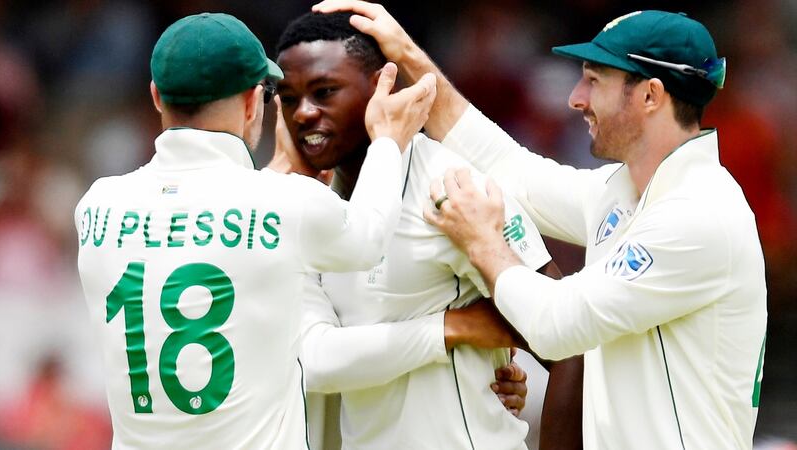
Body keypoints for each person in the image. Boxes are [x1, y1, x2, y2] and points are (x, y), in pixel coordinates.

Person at [313, 2, 768, 448]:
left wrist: (484, 242)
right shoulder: (625, 190)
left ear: (650, 95)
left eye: (594, 81)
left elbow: (557, 325)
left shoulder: (697, 215)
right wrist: (411, 57)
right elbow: (512, 169)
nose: (576, 99)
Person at [74, 12, 437, 449]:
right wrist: (386, 141)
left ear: (155, 96)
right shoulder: (286, 202)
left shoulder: (96, 206)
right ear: (252, 101)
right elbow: (369, 238)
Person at [269, 11, 582, 450]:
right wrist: (453, 328)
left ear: (383, 87)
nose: (303, 112)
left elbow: (568, 341)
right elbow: (317, 359)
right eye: (287, 98)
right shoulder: (311, 206)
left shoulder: (453, 189)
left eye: (324, 92)